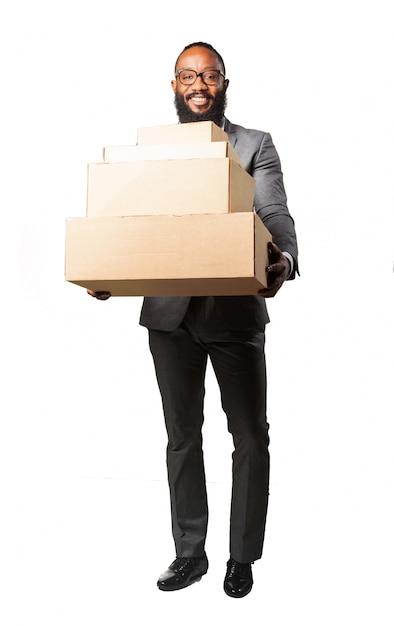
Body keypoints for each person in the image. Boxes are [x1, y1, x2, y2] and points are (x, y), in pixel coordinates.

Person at [89, 42, 298, 598]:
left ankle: (242, 557)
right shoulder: (153, 151)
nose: (198, 85)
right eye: (187, 76)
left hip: (234, 311)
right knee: (182, 436)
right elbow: (129, 221)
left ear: (224, 81)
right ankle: (190, 554)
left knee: (250, 435)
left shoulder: (255, 144)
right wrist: (104, 268)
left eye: (208, 75)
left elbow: (272, 210)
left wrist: (284, 257)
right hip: (168, 313)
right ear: (174, 85)